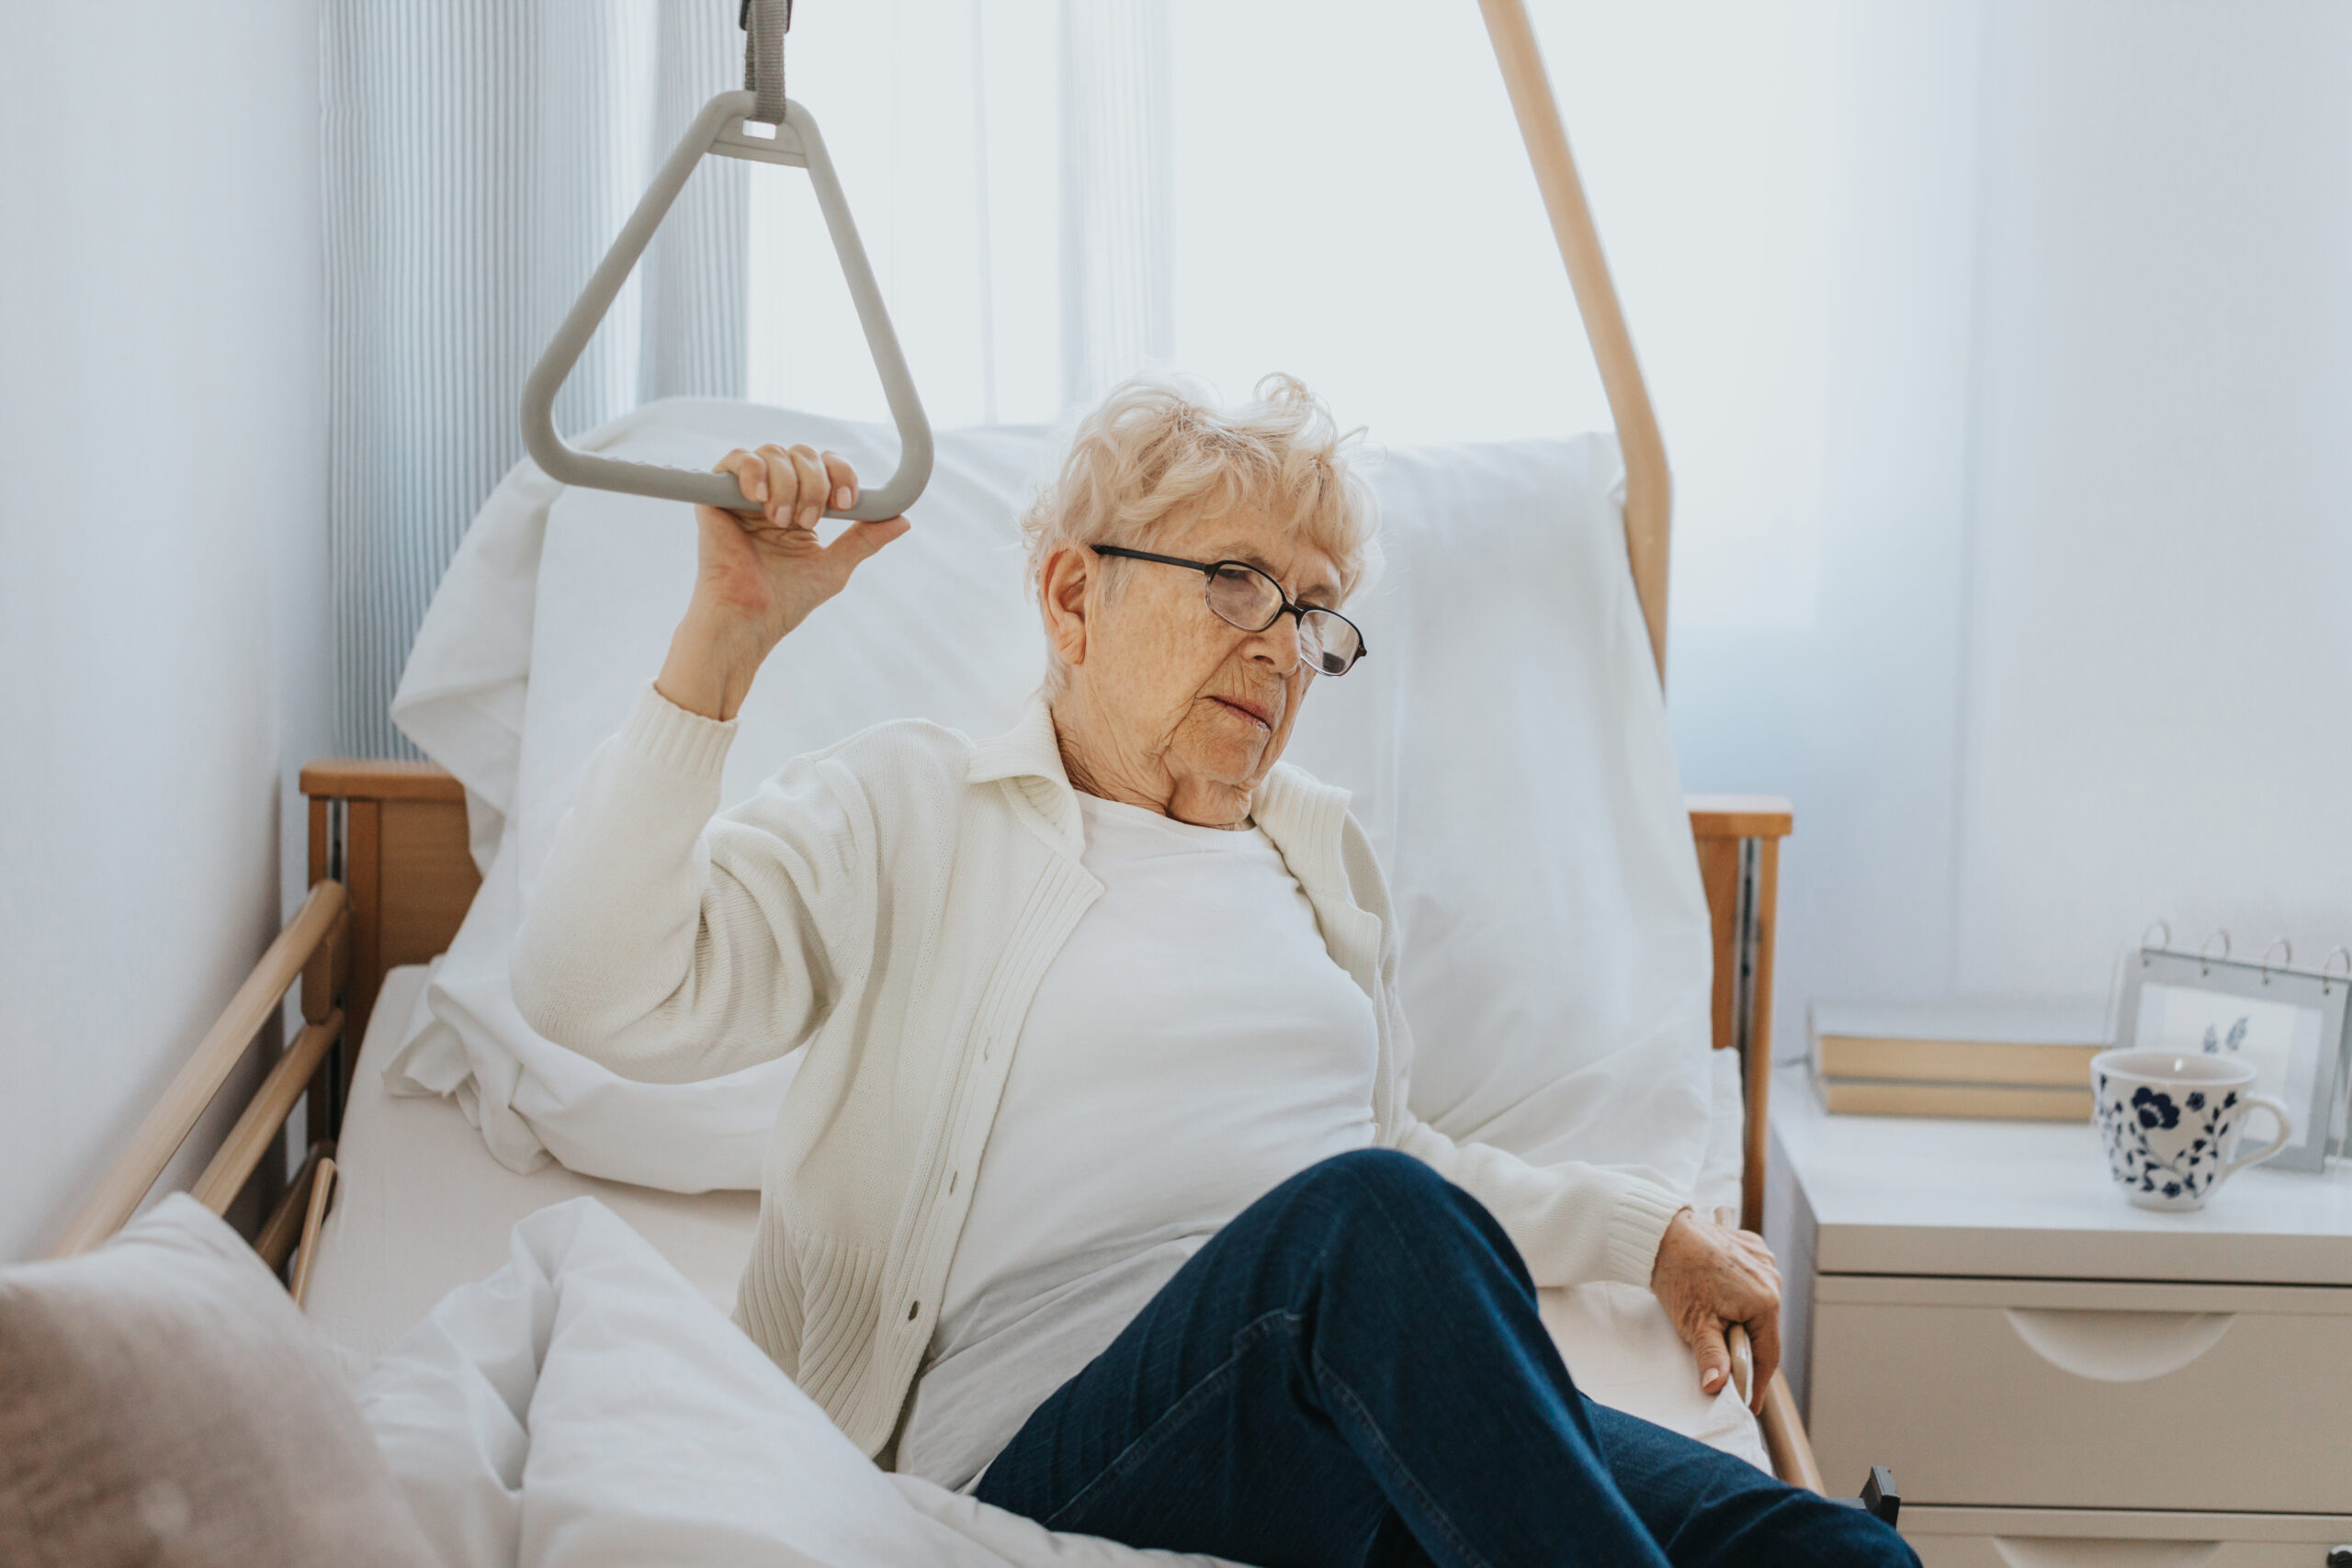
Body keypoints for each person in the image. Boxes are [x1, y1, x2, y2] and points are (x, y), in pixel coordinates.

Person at [511, 375, 1915, 1566]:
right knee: (1364, 1233)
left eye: (1312, 613)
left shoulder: (1315, 859)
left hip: (1355, 1389)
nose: (1284, 646)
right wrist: (725, 638)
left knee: (1827, 1550)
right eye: (1237, 582)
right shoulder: (912, 813)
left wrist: (1642, 1232)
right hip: (1046, 1464)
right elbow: (592, 988)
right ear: (1073, 594)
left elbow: (1394, 1151)